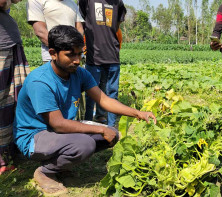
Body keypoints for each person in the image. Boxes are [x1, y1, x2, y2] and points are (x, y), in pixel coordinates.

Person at [13, 25, 156, 195]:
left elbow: (104, 100)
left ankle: (62, 163)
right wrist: (100, 129)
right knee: (85, 144)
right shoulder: (41, 81)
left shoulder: (79, 73)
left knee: (112, 135)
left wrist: (138, 113)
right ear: (53, 53)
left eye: (80, 54)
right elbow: (58, 124)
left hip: (59, 130)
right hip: (34, 136)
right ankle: (45, 171)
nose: (77, 60)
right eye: (70, 55)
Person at [79, 0, 126, 127]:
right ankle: (87, 125)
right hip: (94, 57)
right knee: (90, 94)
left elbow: (116, 26)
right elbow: (83, 20)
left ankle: (111, 127)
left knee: (112, 94)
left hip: (112, 56)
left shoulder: (118, 3)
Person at [0, 0, 30, 175]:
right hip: (3, 48)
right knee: (6, 101)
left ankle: (7, 153)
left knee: (12, 102)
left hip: (8, 44)